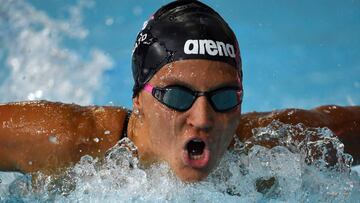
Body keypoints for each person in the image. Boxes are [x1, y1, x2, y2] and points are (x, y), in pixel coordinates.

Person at [0, 0, 359, 182]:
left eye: (222, 97)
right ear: (138, 97)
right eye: (177, 96)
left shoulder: (278, 150)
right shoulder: (68, 144)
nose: (202, 119)